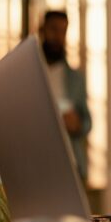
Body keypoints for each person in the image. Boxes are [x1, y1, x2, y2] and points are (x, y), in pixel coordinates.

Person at [39, 10, 92, 184]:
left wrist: (76, 124)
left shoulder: (76, 78)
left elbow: (87, 122)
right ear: (42, 30)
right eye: (53, 29)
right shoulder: (28, 73)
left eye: (63, 31)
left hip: (70, 166)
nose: (58, 36)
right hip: (38, 162)